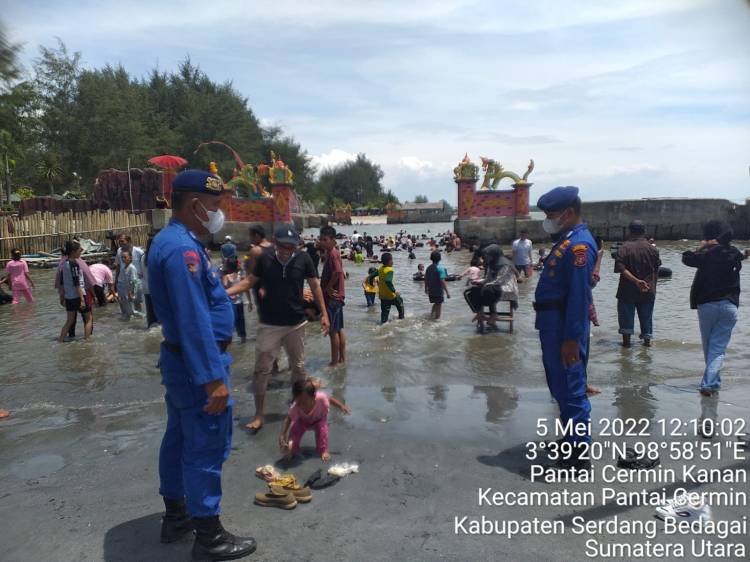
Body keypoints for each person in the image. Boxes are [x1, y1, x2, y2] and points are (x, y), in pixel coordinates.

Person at [148, 169, 256, 560]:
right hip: (198, 367)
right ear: (195, 205)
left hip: (181, 363)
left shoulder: (174, 241)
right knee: (205, 446)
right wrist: (213, 379)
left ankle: (177, 516)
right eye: (214, 205)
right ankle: (209, 536)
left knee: (177, 438)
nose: (218, 212)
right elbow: (193, 318)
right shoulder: (183, 250)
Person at [227, 224, 329, 432]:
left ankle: (299, 409)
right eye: (282, 245)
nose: (286, 250)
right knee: (261, 370)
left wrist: (324, 313)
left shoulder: (304, 259)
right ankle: (258, 414)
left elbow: (315, 285)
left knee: (298, 369)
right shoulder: (265, 258)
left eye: (290, 247)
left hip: (296, 323)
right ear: (274, 242)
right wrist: (225, 292)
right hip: (269, 325)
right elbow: (249, 281)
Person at [533, 186, 597, 470]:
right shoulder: (567, 241)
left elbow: (578, 295)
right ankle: (571, 438)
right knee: (559, 383)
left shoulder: (579, 245)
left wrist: (572, 338)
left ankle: (578, 454)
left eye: (551, 215)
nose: (548, 220)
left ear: (568, 213)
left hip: (563, 324)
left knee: (571, 386)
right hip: (552, 322)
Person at [682, 220, 744, 396]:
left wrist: (702, 247)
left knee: (709, 347)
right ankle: (713, 382)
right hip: (729, 306)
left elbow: (686, 258)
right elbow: (741, 256)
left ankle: (708, 384)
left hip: (707, 306)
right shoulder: (734, 253)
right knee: (716, 349)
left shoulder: (707, 254)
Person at [279, 378, 351, 462]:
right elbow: (288, 419)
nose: (302, 404)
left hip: (319, 419)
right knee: (294, 432)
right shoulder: (296, 405)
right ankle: (291, 450)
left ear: (313, 396)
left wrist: (341, 406)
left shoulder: (321, 398)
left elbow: (330, 399)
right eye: (298, 401)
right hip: (303, 420)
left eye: (305, 401)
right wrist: (282, 435)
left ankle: (323, 450)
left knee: (322, 431)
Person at [614, 220, 661, 348]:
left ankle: (626, 347)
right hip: (647, 290)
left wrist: (635, 281)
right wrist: (646, 284)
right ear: (644, 231)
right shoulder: (653, 249)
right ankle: (646, 346)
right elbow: (656, 269)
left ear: (630, 232)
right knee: (646, 323)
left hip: (627, 291)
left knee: (626, 326)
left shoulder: (624, 248)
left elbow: (621, 268)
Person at [464, 245, 518, 332]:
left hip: (507, 287)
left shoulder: (505, 264)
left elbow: (500, 279)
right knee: (472, 290)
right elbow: (488, 278)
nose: (486, 257)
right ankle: (479, 312)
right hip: (495, 285)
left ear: (495, 254)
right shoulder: (491, 264)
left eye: (488, 255)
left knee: (487, 290)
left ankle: (493, 314)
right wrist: (479, 282)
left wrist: (485, 285)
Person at [320, 226, 346, 366]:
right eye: (321, 239)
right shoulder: (332, 253)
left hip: (333, 299)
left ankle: (334, 362)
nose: (323, 242)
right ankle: (342, 359)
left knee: (332, 331)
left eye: (325, 240)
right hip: (337, 297)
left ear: (333, 240)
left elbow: (338, 272)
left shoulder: (333, 253)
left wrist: (329, 286)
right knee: (339, 329)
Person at [57, 240, 94, 342]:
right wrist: (82, 299)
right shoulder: (74, 264)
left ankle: (60, 340)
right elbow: (76, 283)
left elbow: (62, 282)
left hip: (69, 297)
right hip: (78, 296)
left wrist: (63, 297)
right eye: (79, 251)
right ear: (73, 252)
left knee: (69, 321)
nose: (80, 253)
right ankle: (87, 341)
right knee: (88, 319)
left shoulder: (63, 264)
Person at [368, 252, 404, 323]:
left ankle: (383, 323)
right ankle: (401, 318)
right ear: (389, 261)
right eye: (392, 260)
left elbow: (371, 276)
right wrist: (394, 291)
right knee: (400, 302)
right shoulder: (389, 270)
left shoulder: (381, 269)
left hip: (382, 296)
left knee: (384, 313)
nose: (393, 262)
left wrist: (371, 284)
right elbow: (388, 281)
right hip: (390, 295)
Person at [222, 260, 249, 343]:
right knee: (241, 321)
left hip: (231, 303)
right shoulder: (240, 276)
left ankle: (228, 340)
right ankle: (243, 339)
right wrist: (249, 301)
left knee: (232, 321)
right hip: (239, 302)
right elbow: (246, 288)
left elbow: (224, 288)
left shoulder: (226, 276)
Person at [425, 250, 450, 319]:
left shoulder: (428, 268)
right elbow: (442, 281)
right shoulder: (441, 268)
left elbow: (426, 279)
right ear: (440, 259)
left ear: (431, 258)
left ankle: (431, 315)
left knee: (436, 303)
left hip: (431, 291)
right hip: (438, 291)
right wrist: (447, 292)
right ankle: (436, 320)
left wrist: (425, 288)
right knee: (439, 305)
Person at [120, 250, 143, 320]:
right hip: (127, 291)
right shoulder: (124, 268)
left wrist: (131, 292)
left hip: (132, 291)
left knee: (131, 310)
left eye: (125, 257)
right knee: (128, 309)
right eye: (122, 257)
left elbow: (133, 281)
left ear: (130, 258)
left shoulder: (131, 268)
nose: (123, 259)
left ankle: (143, 317)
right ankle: (127, 321)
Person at [142, 233, 159, 327]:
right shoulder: (157, 256)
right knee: (160, 314)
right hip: (156, 289)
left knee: (150, 314)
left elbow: (140, 274)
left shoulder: (143, 257)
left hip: (146, 288)